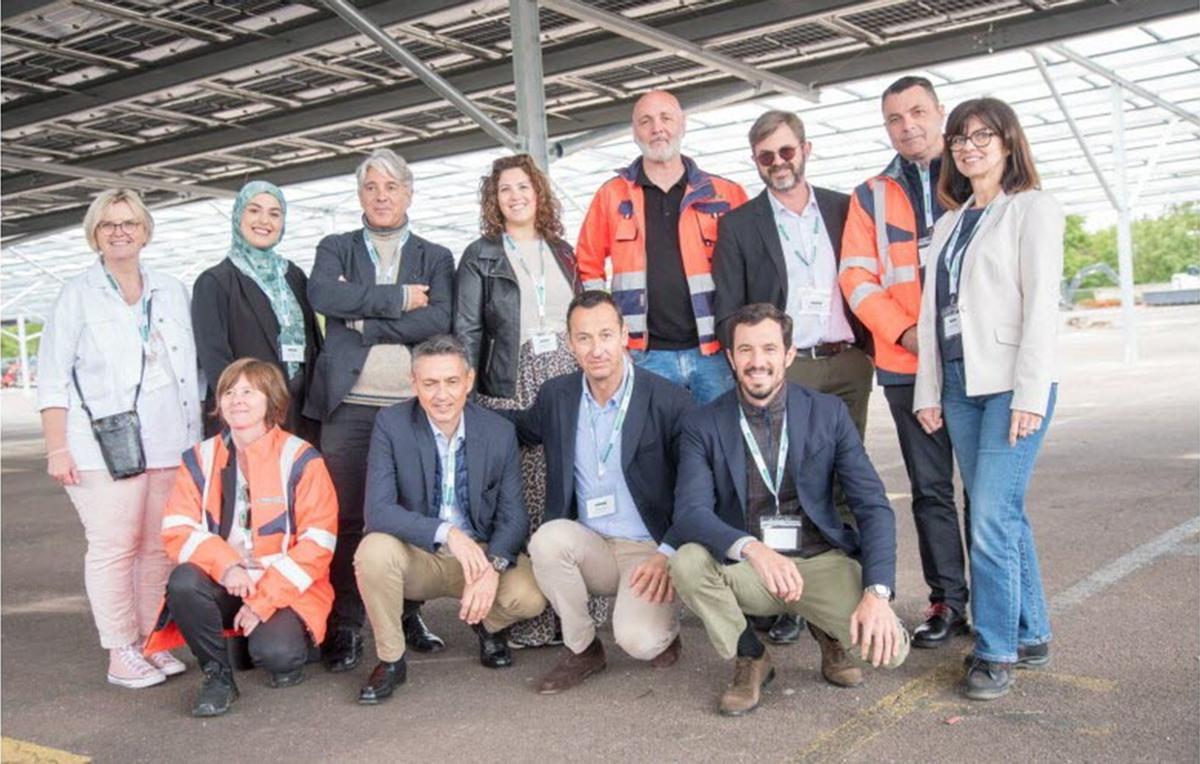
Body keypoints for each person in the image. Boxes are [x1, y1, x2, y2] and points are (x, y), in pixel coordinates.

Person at [669, 304, 908, 717]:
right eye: (745, 350)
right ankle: (752, 657)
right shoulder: (703, 423)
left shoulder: (828, 413)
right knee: (687, 563)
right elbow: (690, 512)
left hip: (819, 559)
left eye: (768, 348)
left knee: (891, 654)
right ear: (730, 357)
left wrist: (878, 593)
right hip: (751, 568)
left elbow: (873, 506)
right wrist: (752, 550)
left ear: (788, 354)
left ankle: (829, 633)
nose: (757, 361)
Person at [914, 98, 1063, 701]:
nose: (969, 146)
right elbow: (932, 319)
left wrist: (1029, 392)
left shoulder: (1033, 209)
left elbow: (1042, 307)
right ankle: (1032, 631)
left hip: (1010, 386)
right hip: (958, 385)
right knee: (1002, 513)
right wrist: (930, 390)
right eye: (959, 138)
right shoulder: (949, 223)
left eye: (983, 135)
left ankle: (996, 649)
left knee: (992, 519)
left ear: (1008, 143)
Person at [712, 109, 874, 650]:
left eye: (785, 151)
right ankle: (790, 598)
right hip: (788, 366)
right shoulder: (740, 224)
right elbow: (729, 311)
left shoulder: (844, 208)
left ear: (805, 149)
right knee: (785, 485)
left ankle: (845, 593)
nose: (777, 164)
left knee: (846, 480)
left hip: (847, 359)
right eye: (765, 156)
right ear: (755, 163)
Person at [38, 189, 202, 689]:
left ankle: (150, 640)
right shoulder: (78, 294)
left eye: (129, 222)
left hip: (169, 440)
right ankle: (119, 649)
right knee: (113, 546)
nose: (120, 231)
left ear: (145, 231)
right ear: (95, 233)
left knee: (156, 548)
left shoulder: (171, 289)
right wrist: (57, 446)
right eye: (108, 224)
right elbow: (52, 374)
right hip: (100, 445)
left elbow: (190, 368)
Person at [306, 148, 454, 672]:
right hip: (348, 407)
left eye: (391, 187)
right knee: (347, 519)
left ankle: (409, 615)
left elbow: (439, 320)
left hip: (411, 408)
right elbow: (324, 295)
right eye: (372, 187)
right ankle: (345, 624)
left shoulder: (436, 256)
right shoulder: (335, 247)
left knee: (413, 514)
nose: (382, 196)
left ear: (408, 193)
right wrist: (396, 300)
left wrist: (363, 314)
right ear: (360, 195)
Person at [502, 291, 695, 694]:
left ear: (625, 334)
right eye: (584, 338)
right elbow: (521, 428)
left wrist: (669, 553)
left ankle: (664, 624)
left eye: (606, 335)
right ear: (570, 343)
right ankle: (583, 648)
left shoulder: (669, 400)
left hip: (649, 551)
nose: (596, 348)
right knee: (548, 539)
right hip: (592, 544)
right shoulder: (558, 395)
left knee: (639, 641)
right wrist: (457, 408)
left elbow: (694, 487)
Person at [840, 76, 971, 648]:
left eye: (918, 111)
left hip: (976, 362)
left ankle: (996, 602)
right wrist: (908, 333)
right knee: (930, 489)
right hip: (906, 365)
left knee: (987, 492)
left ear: (940, 113)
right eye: (895, 118)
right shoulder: (869, 194)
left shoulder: (976, 175)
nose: (908, 125)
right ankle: (948, 602)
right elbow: (857, 277)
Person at [354, 335, 547, 704]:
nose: (441, 394)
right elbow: (377, 510)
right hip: (418, 554)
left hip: (478, 556)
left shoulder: (498, 431)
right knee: (372, 552)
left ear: (469, 381)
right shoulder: (391, 424)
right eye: (430, 383)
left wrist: (493, 565)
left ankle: (486, 625)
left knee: (530, 594)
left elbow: (513, 515)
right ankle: (392, 660)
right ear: (414, 384)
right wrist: (448, 534)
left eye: (451, 382)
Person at [145, 358, 337, 717]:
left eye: (249, 391)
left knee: (279, 657)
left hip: (284, 589)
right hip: (228, 582)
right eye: (229, 391)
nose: (237, 399)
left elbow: (317, 545)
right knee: (184, 582)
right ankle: (218, 677)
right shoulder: (199, 458)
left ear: (272, 400)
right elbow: (177, 529)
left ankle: (272, 641)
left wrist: (263, 602)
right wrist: (227, 565)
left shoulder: (302, 458)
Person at [454, 153, 589, 649]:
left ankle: (576, 613)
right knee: (528, 491)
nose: (515, 196)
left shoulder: (564, 251)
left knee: (570, 482)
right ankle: (534, 614)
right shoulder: (479, 254)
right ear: (494, 199)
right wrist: (467, 388)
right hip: (513, 378)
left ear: (539, 194)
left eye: (524, 188)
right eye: (505, 189)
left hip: (567, 372)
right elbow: (467, 329)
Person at [575, 89, 748, 404]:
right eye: (646, 121)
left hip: (714, 353)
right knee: (655, 449)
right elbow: (587, 265)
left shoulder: (726, 194)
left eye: (666, 118)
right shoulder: (611, 196)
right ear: (634, 132)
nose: (657, 128)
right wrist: (609, 337)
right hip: (645, 356)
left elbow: (751, 270)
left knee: (721, 444)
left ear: (683, 125)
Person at [192, 181, 321, 443]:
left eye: (275, 213)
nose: (264, 220)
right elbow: (216, 361)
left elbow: (315, 345)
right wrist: (242, 411)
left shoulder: (293, 275)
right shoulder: (215, 282)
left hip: (299, 413)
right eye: (254, 210)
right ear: (238, 215)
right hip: (248, 420)